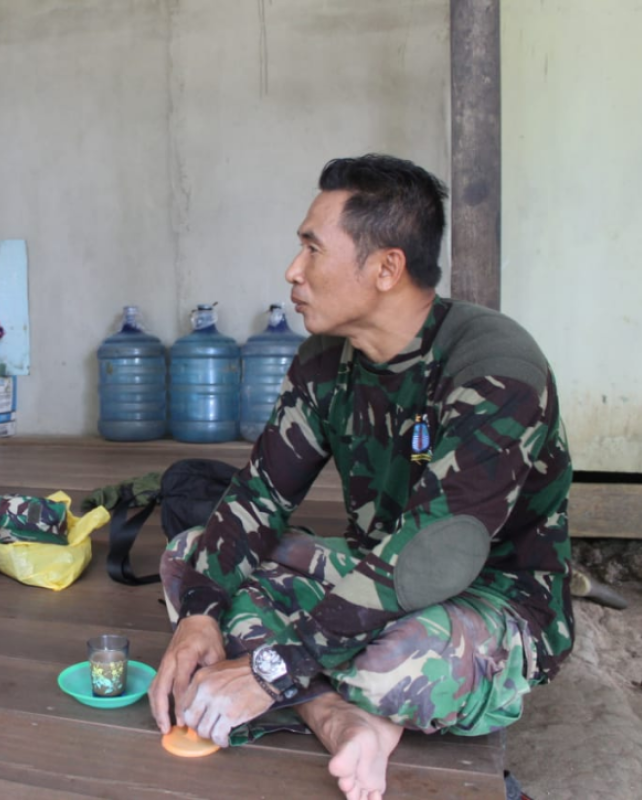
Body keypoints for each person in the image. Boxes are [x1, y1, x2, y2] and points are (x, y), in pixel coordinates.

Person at [148, 155, 572, 800]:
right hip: (376, 577)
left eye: (312, 249)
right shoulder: (326, 358)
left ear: (385, 268)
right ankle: (344, 718)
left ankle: (331, 696)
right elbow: (260, 496)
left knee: (404, 658)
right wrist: (200, 619)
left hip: (492, 602)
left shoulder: (494, 368)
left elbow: (433, 559)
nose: (293, 270)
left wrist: (268, 668)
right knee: (189, 559)